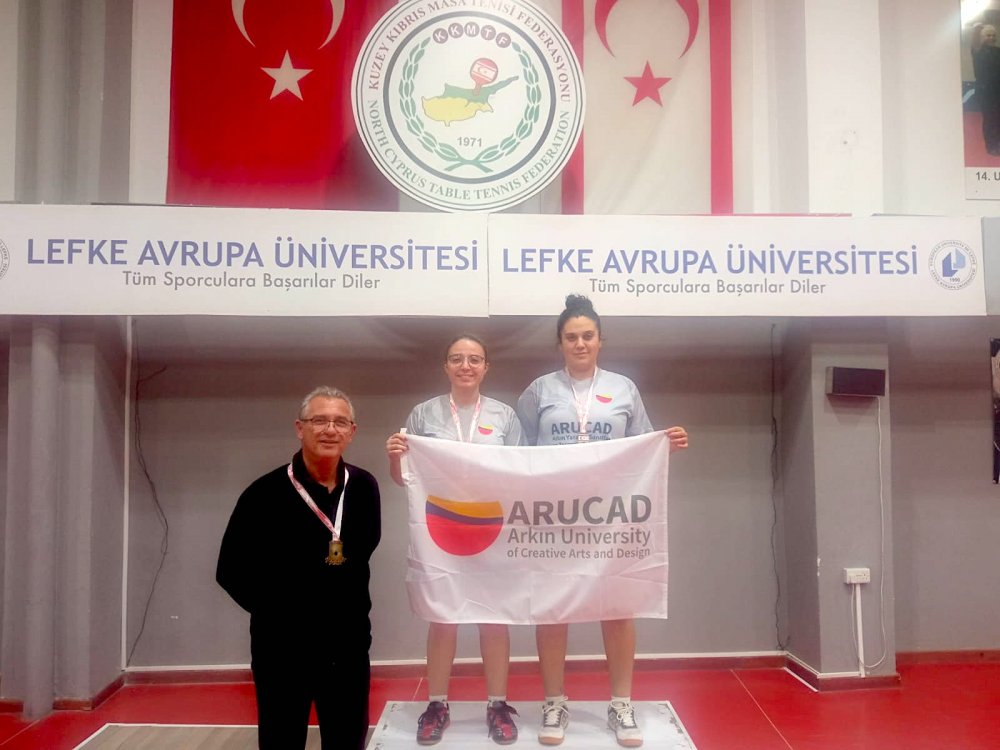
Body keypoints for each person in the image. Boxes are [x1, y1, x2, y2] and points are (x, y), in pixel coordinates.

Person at [516, 295, 688, 749]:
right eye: (571, 337)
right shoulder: (538, 391)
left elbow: (642, 445)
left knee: (618, 608)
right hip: (555, 517)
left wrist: (665, 444)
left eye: (587, 336)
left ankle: (621, 704)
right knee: (553, 608)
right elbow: (517, 455)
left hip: (611, 518)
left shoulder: (624, 388)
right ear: (560, 343)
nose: (580, 343)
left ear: (600, 340)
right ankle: (554, 702)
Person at [217, 386, 381, 750]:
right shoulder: (263, 494)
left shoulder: (365, 488)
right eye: (319, 420)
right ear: (299, 428)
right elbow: (230, 570)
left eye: (340, 422)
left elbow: (363, 552)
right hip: (282, 648)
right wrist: (280, 612)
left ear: (352, 431)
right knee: (282, 740)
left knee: (347, 740)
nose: (330, 430)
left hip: (348, 645)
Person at [386, 334, 524, 746]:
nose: (466, 366)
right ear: (445, 366)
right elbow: (405, 479)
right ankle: (437, 704)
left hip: (491, 528)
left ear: (486, 367)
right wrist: (394, 456)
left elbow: (522, 475)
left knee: (494, 617)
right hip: (441, 527)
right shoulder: (423, 414)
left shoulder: (504, 416)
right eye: (457, 359)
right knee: (443, 616)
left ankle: (497, 704)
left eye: (474, 359)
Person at [972, 23, 1000, 155]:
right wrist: (977, 28)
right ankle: (991, 146)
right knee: (989, 119)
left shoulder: (998, 51)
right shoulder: (977, 51)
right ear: (982, 37)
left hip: (997, 91)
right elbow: (975, 39)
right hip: (985, 92)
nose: (992, 38)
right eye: (988, 35)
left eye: (993, 35)